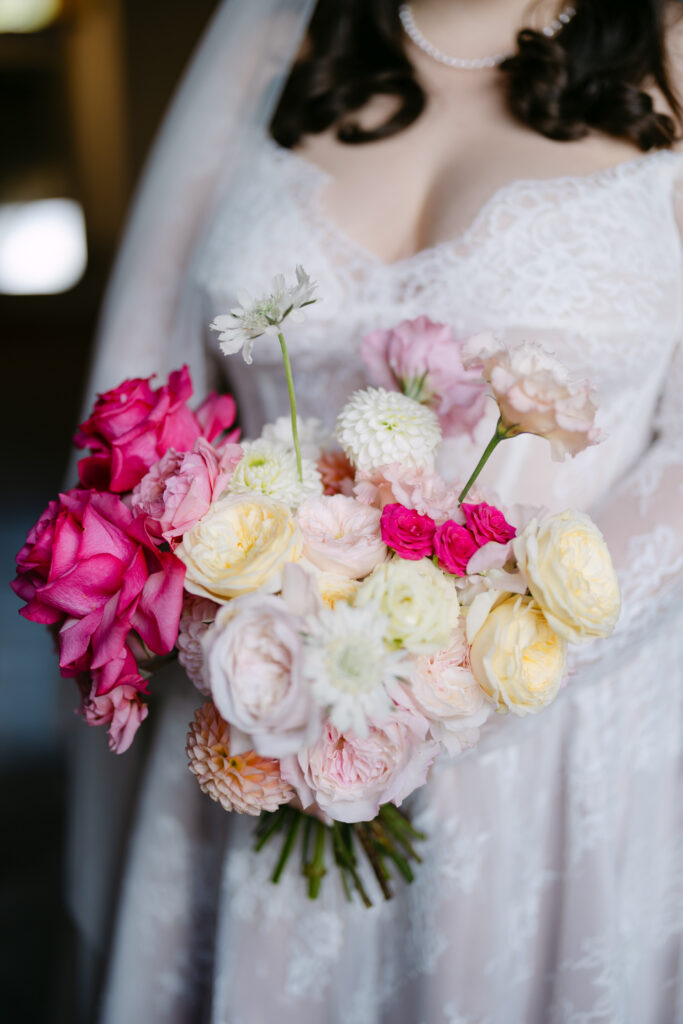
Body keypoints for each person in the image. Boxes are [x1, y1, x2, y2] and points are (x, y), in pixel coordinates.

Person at [71, 1, 683, 1020]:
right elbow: (142, 394)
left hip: (561, 745)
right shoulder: (280, 35)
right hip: (260, 712)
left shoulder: (665, 41)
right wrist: (265, 634)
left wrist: (472, 658)